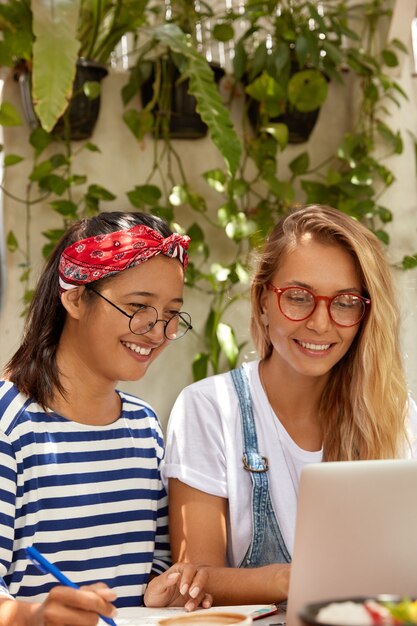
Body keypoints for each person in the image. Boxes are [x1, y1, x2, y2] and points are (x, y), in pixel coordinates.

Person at [162, 204, 417, 605]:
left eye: (346, 301)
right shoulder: (209, 408)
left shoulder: (394, 414)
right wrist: (292, 580)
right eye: (298, 297)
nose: (320, 322)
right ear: (263, 300)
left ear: (367, 314)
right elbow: (193, 583)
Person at [0, 211, 212, 626]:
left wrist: (157, 588)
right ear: (75, 298)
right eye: (138, 307)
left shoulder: (144, 428)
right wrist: (35, 615)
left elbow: (153, 563)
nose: (157, 331)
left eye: (171, 313)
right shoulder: (10, 427)